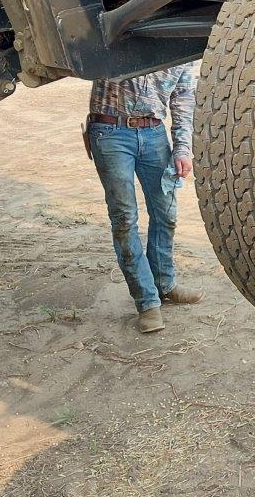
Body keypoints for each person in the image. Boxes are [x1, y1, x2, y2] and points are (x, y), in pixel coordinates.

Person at [85, 63, 203, 333]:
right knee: (125, 218)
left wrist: (183, 149)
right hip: (110, 132)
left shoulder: (183, 55)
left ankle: (164, 283)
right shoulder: (128, 33)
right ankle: (147, 301)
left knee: (166, 213)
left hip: (154, 134)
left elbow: (183, 104)